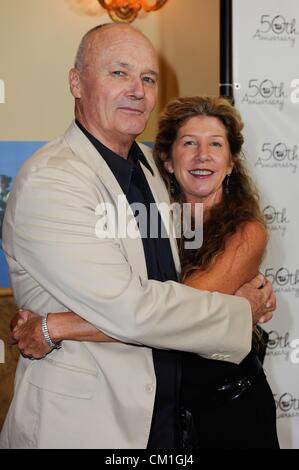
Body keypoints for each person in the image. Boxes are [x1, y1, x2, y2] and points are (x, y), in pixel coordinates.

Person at [1, 24, 275, 449]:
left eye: (148, 79)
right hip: (85, 425)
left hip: (167, 421)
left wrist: (57, 326)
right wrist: (239, 311)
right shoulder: (51, 181)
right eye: (119, 73)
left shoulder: (148, 166)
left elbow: (174, 282)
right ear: (76, 82)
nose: (137, 90)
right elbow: (133, 310)